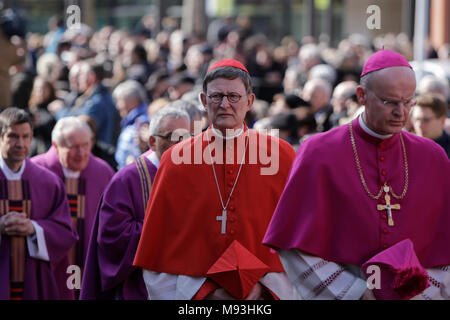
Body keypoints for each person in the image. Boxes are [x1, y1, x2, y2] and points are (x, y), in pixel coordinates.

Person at [263, 50, 450, 300]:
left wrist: (420, 295)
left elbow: (445, 247)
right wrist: (358, 294)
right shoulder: (318, 152)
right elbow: (295, 245)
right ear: (362, 96)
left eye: (408, 102)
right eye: (390, 102)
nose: (401, 113)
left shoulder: (433, 157)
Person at [133, 59, 297, 300]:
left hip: (265, 297)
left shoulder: (281, 156)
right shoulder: (176, 159)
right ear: (203, 100)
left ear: (249, 102)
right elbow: (158, 248)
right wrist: (204, 293)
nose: (224, 105)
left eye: (233, 96)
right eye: (216, 96)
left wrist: (264, 287)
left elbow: (295, 240)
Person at [80, 106, 191, 300]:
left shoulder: (192, 176)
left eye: (186, 137)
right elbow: (112, 237)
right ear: (152, 141)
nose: (181, 144)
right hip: (139, 287)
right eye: (172, 137)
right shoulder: (127, 179)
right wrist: (165, 228)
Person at [0, 107, 77, 300]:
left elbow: (65, 232)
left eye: (26, 136)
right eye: (13, 136)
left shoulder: (48, 182)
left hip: (34, 280)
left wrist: (33, 229)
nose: (21, 143)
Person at [32, 117, 114, 277]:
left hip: (89, 265)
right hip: (46, 265)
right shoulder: (36, 170)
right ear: (55, 146)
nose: (81, 153)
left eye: (85, 145)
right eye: (74, 147)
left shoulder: (103, 172)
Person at [112, 80, 149, 169]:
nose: (117, 106)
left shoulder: (143, 121)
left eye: (119, 101)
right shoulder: (130, 122)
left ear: (132, 101)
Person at [411, 94, 449, 158]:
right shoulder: (405, 146)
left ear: (442, 120)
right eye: (416, 119)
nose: (419, 125)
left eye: (426, 120)